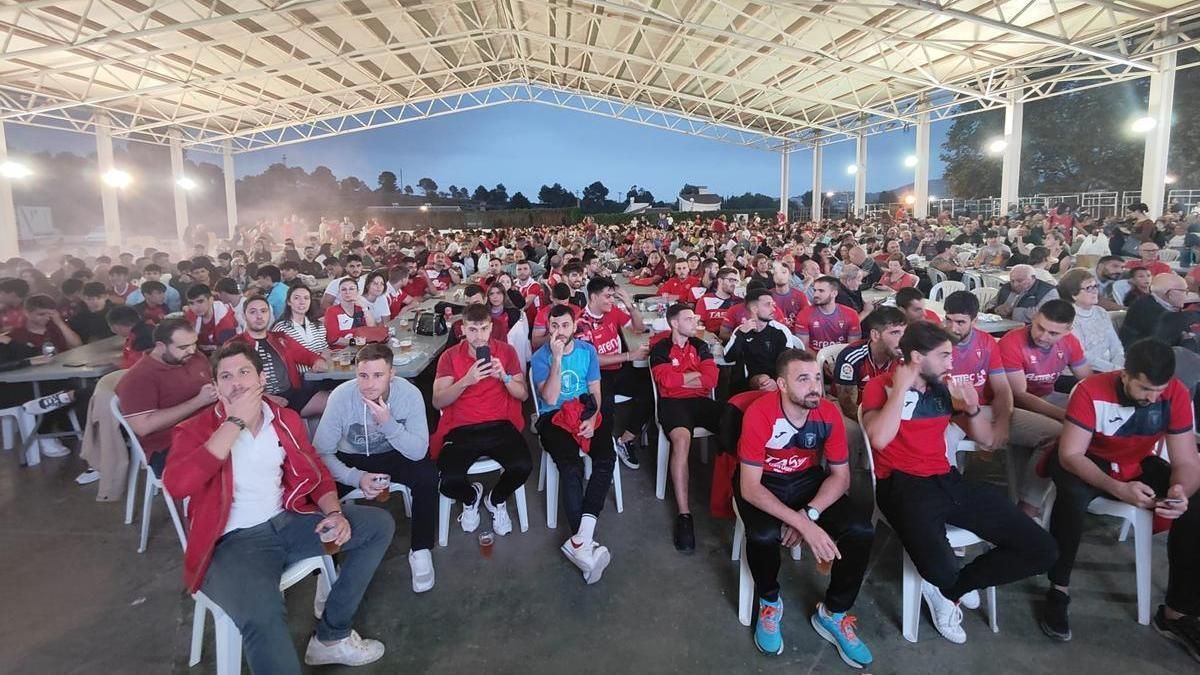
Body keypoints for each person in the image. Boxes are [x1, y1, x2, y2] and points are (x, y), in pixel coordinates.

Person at [164, 341, 393, 672]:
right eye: (226, 376)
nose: (237, 382)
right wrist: (234, 423)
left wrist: (334, 512)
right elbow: (177, 484)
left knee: (377, 525)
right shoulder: (195, 429)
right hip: (233, 542)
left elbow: (315, 470)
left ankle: (331, 636)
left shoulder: (282, 418)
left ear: (260, 379)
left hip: (288, 521)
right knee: (264, 616)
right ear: (215, 387)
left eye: (244, 372)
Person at [861, 321, 1058, 644]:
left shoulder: (945, 387)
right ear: (916, 357)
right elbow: (879, 439)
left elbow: (986, 440)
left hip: (947, 479)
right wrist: (900, 389)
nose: (952, 363)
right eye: (944, 356)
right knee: (940, 569)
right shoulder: (879, 386)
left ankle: (953, 589)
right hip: (901, 486)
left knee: (1043, 550)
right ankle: (945, 582)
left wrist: (973, 406)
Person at [1040, 339, 1200, 658]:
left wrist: (1181, 490)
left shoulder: (1176, 393)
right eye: (1144, 389)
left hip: (1135, 462)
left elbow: (1186, 460)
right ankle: (1058, 590)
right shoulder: (1091, 391)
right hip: (1089, 459)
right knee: (1071, 495)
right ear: (1125, 375)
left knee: (1196, 502)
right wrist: (1117, 489)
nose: (1153, 397)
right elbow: (1071, 454)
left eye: (1159, 389)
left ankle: (1177, 612)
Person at [736, 349, 876, 666]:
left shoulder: (827, 413)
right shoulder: (760, 413)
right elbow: (749, 487)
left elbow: (840, 478)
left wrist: (809, 514)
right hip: (764, 481)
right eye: (803, 379)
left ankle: (833, 613)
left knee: (860, 530)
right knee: (762, 535)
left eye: (816, 377)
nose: (814, 386)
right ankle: (770, 602)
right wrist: (804, 526)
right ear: (782, 385)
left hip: (805, 481)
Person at [313, 343, 439, 593]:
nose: (369, 384)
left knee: (427, 475)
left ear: (392, 374)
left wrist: (388, 424)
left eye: (378, 375)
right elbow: (321, 452)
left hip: (395, 453)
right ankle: (329, 566)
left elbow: (418, 450)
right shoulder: (341, 397)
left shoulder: (409, 394)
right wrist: (354, 477)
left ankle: (421, 549)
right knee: (319, 488)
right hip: (351, 458)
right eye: (363, 375)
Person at [430, 304, 532, 537]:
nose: (478, 336)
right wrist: (466, 380)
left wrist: (504, 377)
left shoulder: (506, 352)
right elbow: (438, 402)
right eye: (472, 329)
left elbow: (523, 394)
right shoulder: (449, 356)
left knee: (523, 466)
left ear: (491, 328)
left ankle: (495, 499)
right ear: (462, 329)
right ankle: (471, 497)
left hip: (500, 424)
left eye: (483, 329)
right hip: (461, 428)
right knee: (448, 481)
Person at [530, 305, 615, 583]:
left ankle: (581, 538)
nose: (559, 332)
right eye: (554, 326)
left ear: (574, 325)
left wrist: (593, 418)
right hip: (553, 418)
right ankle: (584, 544)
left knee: (605, 458)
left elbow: (595, 391)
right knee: (571, 467)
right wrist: (556, 360)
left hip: (585, 410)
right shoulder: (540, 357)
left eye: (565, 326)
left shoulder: (587, 351)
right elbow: (551, 399)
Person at [999, 300, 1092, 514]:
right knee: (1061, 433)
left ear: (1067, 331)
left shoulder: (1071, 342)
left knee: (1093, 421)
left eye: (1053, 333)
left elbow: (1087, 382)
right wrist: (1066, 416)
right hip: (1012, 404)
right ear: (1035, 317)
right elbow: (1020, 396)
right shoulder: (1012, 342)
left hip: (1048, 398)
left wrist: (1085, 413)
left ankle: (1083, 491)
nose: (1042, 336)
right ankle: (1028, 506)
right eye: (1040, 327)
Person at [649, 304, 722, 552]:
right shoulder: (660, 348)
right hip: (672, 405)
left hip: (700, 402)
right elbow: (665, 385)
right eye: (689, 319)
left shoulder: (701, 345)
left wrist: (681, 379)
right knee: (681, 441)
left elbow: (711, 380)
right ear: (674, 324)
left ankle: (739, 493)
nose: (695, 322)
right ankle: (684, 514)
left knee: (734, 419)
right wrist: (693, 376)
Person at [115, 319, 217, 477]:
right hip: (170, 446)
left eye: (194, 343)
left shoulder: (193, 357)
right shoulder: (139, 377)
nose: (191, 350)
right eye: (183, 347)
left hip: (209, 429)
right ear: (161, 346)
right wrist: (198, 402)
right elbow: (143, 425)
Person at [576, 277, 650, 470]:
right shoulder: (582, 323)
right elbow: (593, 360)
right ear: (593, 297)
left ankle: (626, 440)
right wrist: (628, 355)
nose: (611, 300)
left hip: (618, 369)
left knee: (651, 391)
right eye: (607, 296)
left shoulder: (613, 311)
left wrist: (629, 305)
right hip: (596, 375)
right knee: (604, 407)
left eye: (612, 296)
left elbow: (640, 328)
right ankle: (602, 456)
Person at [230, 297, 329, 418]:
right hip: (257, 401)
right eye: (253, 312)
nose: (259, 316)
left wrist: (317, 361)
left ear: (269, 314)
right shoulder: (234, 345)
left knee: (334, 401)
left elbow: (306, 355)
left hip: (291, 394)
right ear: (244, 316)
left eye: (263, 311)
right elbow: (231, 384)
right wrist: (265, 397)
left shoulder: (280, 338)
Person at [832, 306, 905, 465]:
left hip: (882, 408)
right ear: (875, 335)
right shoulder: (852, 357)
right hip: (848, 407)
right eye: (895, 333)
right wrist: (876, 421)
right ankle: (848, 479)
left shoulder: (903, 359)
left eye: (904, 333)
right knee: (852, 433)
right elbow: (847, 404)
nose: (903, 339)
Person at [724, 288, 799, 391]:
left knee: (765, 380)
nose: (773, 309)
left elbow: (787, 362)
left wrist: (776, 381)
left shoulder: (781, 331)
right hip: (748, 383)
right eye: (768, 305)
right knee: (760, 380)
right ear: (754, 309)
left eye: (773, 305)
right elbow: (728, 358)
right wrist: (741, 334)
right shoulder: (741, 330)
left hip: (777, 381)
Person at [1058, 268, 1124, 372]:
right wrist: (1113, 369)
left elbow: (1115, 345)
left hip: (1109, 368)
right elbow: (1082, 355)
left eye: (1095, 286)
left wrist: (1119, 367)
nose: (1095, 291)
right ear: (1074, 295)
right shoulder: (1069, 316)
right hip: (1080, 371)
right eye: (1089, 288)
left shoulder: (1101, 312)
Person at [1119, 272, 1200, 348]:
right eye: (1184, 291)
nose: (1187, 295)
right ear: (1170, 294)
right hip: (1141, 356)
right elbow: (1172, 322)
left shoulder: (1154, 301)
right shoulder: (1146, 306)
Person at [792, 276, 862, 351]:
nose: (816, 294)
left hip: (841, 357)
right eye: (815, 290)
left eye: (821, 291)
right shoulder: (804, 314)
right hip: (814, 359)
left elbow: (852, 347)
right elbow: (803, 348)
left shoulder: (851, 314)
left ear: (834, 293)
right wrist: (821, 360)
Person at [8, 294, 83, 352]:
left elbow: (77, 345)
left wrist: (60, 323)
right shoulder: (17, 334)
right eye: (41, 314)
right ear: (26, 313)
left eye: (50, 314)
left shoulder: (56, 325)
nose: (47, 318)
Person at [990, 265, 1058, 325]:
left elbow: (1043, 314)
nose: (1015, 284)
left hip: (1028, 330)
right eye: (1012, 281)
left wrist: (1012, 312)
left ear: (1033, 278)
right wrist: (996, 309)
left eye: (1020, 281)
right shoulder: (1006, 287)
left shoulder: (1048, 291)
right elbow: (990, 305)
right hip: (999, 327)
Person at [324, 277, 376, 347]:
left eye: (351, 289)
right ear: (339, 293)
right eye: (343, 289)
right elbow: (333, 339)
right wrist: (355, 342)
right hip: (342, 351)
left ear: (358, 291)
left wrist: (365, 308)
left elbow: (372, 328)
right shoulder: (332, 311)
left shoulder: (361, 308)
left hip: (362, 347)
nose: (347, 292)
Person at [184, 284, 238, 351]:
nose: (195, 307)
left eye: (200, 301)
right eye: (191, 303)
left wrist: (213, 348)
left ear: (211, 300)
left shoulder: (226, 321)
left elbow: (230, 349)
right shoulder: (190, 314)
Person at [531, 283, 581, 351]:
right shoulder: (542, 315)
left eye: (565, 304)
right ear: (551, 298)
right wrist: (553, 336)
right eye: (558, 304)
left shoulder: (577, 311)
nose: (561, 308)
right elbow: (535, 343)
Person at [106, 305, 154, 369]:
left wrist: (113, 361)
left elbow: (135, 366)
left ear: (116, 327)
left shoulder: (141, 339)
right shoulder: (148, 327)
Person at [701, 268, 742, 338]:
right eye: (731, 280)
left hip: (733, 340)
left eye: (735, 281)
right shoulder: (705, 299)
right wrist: (707, 335)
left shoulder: (739, 302)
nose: (734, 284)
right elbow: (699, 325)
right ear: (720, 280)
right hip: (710, 341)